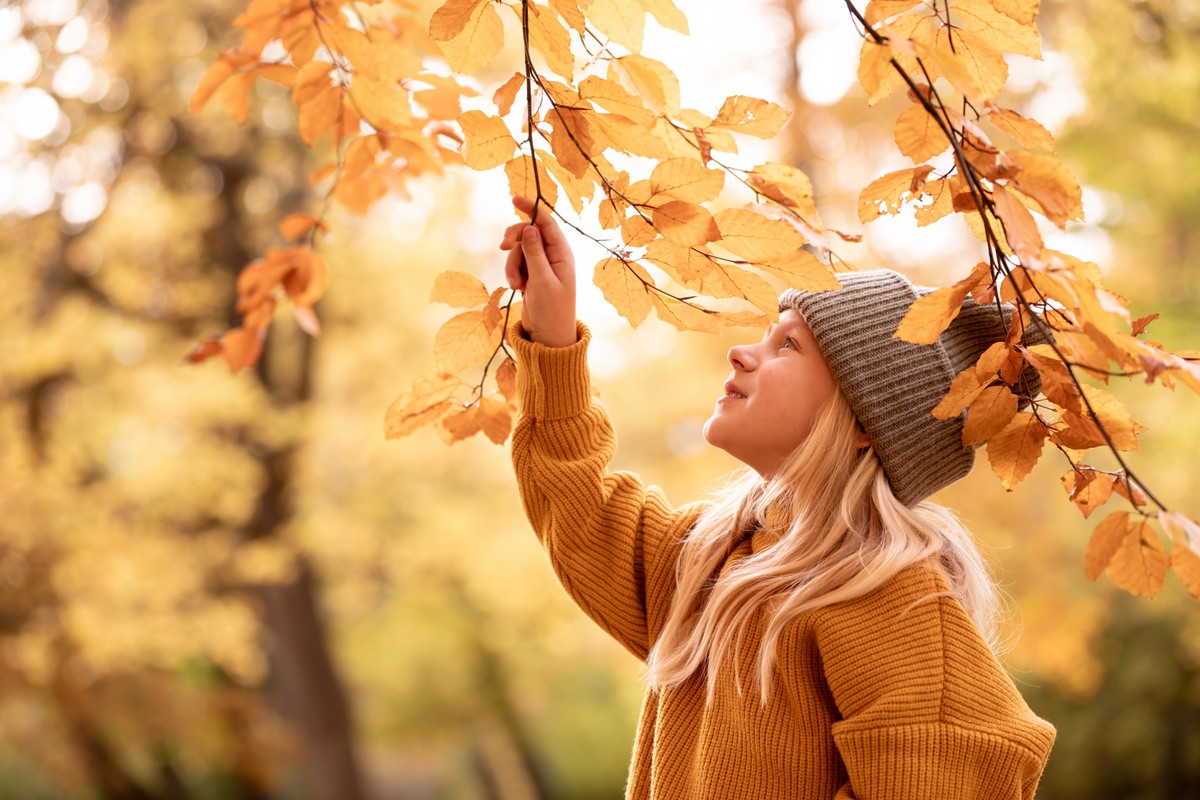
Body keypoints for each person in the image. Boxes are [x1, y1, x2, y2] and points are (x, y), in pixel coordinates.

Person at [498, 195, 1055, 800]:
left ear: (866, 422)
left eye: (788, 345)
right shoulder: (710, 559)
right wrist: (553, 336)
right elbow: (582, 511)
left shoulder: (889, 595)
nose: (741, 352)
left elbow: (955, 769)